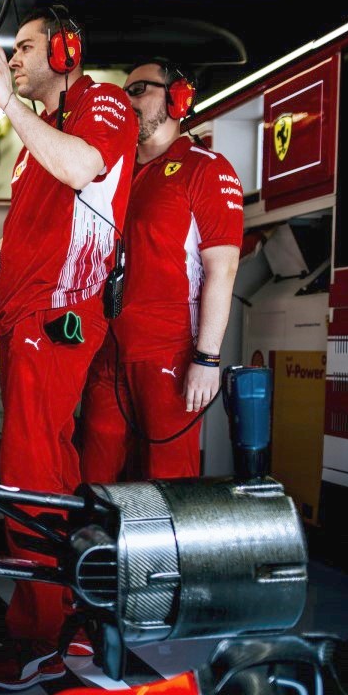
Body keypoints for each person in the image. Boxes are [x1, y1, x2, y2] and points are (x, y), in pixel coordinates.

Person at [0, 7, 137, 691]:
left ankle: (36, 637)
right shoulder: (39, 140)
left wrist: (5, 105)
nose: (13, 60)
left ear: (66, 49)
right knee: (45, 472)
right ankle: (66, 621)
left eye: (24, 48)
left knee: (29, 475)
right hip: (23, 314)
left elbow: (84, 168)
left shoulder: (103, 105)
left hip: (60, 317)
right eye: (12, 51)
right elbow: (22, 226)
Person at [80, 59, 244, 483]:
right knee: (95, 476)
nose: (126, 100)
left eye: (139, 91)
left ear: (177, 99)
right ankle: (102, 551)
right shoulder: (109, 173)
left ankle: (167, 554)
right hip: (107, 350)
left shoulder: (206, 168)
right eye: (124, 92)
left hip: (169, 352)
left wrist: (207, 359)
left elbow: (223, 269)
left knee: (169, 480)